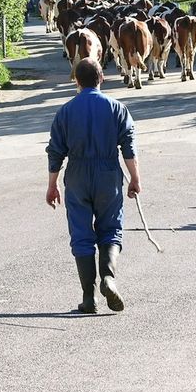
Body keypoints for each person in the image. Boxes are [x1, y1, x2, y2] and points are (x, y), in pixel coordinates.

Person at [46, 58, 141, 313]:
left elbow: (55, 152)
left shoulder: (65, 111)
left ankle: (89, 298)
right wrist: (135, 178)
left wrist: (52, 185)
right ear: (102, 78)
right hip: (108, 173)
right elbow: (128, 147)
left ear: (77, 81)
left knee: (81, 233)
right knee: (110, 228)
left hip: (77, 174)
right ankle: (108, 278)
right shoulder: (117, 108)